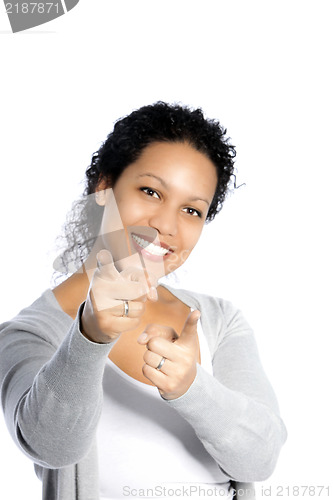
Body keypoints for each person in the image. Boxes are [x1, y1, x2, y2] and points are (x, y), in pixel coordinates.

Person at [0, 102, 287, 500]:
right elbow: (51, 447)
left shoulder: (219, 320)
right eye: (150, 191)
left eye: (191, 210)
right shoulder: (28, 334)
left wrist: (191, 386)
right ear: (104, 187)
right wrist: (90, 336)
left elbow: (261, 459)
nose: (166, 226)